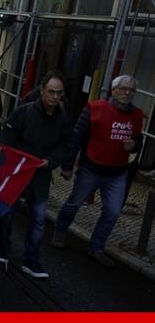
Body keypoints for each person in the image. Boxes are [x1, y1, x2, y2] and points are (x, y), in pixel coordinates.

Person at [52, 75, 144, 267]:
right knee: (73, 204)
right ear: (114, 90)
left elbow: (138, 142)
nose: (127, 93)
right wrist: (68, 166)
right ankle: (60, 232)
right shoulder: (94, 109)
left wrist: (134, 145)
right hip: (90, 169)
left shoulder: (137, 115)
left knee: (112, 212)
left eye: (131, 90)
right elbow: (76, 138)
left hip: (117, 174)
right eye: (123, 89)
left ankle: (96, 247)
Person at [0, 72, 72, 278]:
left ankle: (31, 260)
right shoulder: (23, 112)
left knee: (38, 220)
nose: (55, 97)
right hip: (17, 173)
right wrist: (9, 164)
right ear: (42, 91)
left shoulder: (63, 120)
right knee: (6, 214)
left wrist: (51, 161)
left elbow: (66, 145)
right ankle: (2, 249)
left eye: (59, 93)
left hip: (40, 176)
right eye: (51, 92)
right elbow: (6, 139)